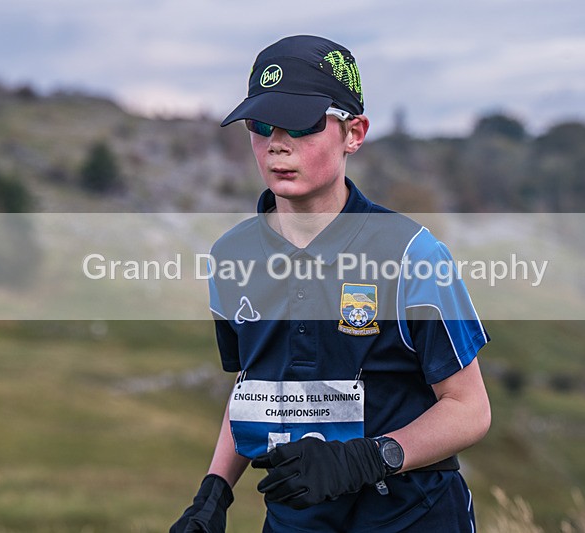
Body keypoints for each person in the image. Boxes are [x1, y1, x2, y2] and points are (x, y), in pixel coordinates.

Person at [170, 35, 491, 533]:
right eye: (260, 125)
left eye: (301, 125)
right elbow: (253, 386)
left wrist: (367, 459)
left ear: (354, 132)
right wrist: (214, 492)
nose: (277, 143)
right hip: (296, 520)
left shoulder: (413, 255)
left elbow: (470, 410)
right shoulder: (230, 257)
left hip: (414, 516)